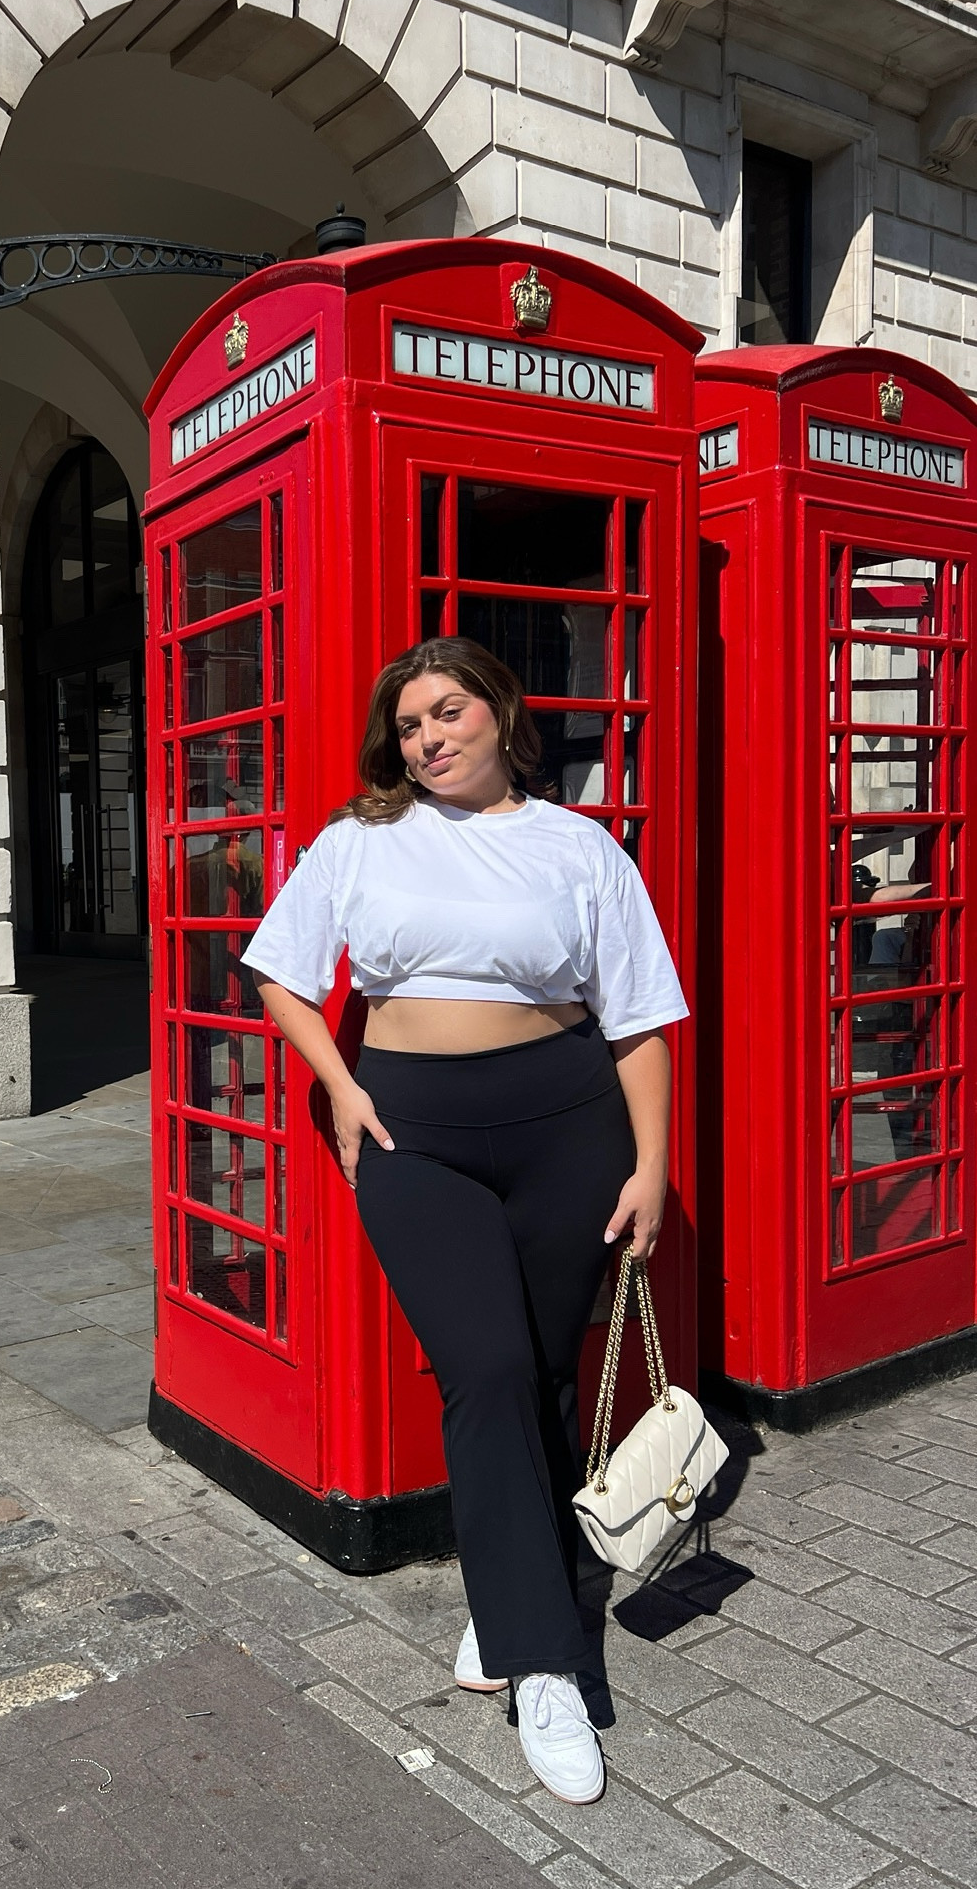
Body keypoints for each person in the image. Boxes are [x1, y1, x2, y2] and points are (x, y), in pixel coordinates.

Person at [243, 637, 688, 1805]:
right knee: (483, 1369)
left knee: (539, 1371)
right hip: (413, 1131)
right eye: (407, 726)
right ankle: (545, 1664)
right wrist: (339, 1085)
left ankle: (503, 1603)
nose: (429, 738)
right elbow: (279, 972)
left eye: (448, 713)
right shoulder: (360, 840)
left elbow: (638, 1016)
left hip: (565, 1122)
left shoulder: (578, 846)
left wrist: (650, 1164)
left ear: (498, 712)